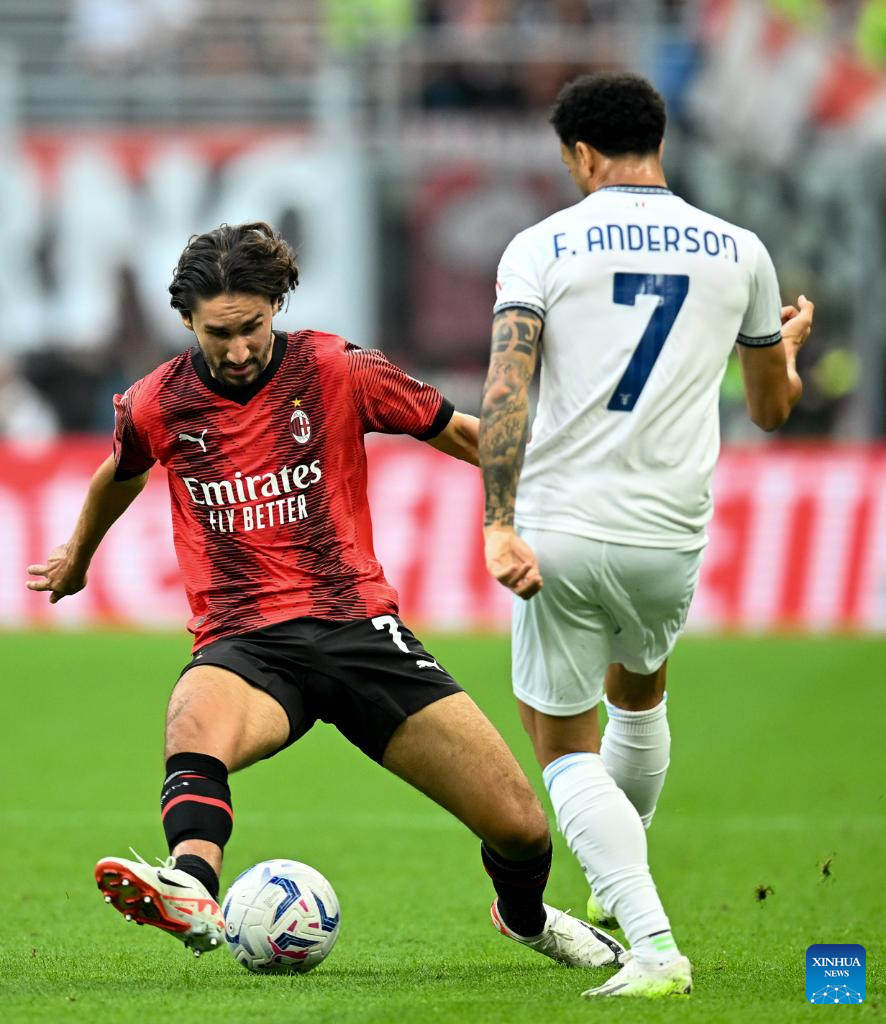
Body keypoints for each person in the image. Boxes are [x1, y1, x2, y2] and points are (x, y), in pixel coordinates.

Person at [26, 221, 624, 973]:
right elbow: (118, 472)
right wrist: (77, 558)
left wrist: (572, 490)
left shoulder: (338, 368)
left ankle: (525, 917)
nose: (238, 350)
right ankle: (191, 885)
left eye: (251, 327)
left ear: (276, 304)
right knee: (192, 725)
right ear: (186, 322)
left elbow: (467, 436)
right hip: (245, 644)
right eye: (218, 334)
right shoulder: (159, 402)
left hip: (360, 632)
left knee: (522, 828)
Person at [479, 73, 814, 999]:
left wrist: (498, 522)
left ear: (582, 154)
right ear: (657, 141)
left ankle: (654, 946)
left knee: (562, 747)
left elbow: (507, 388)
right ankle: (616, 867)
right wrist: (784, 353)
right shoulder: (741, 251)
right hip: (671, 535)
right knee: (638, 694)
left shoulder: (541, 246)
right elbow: (772, 409)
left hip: (564, 526)